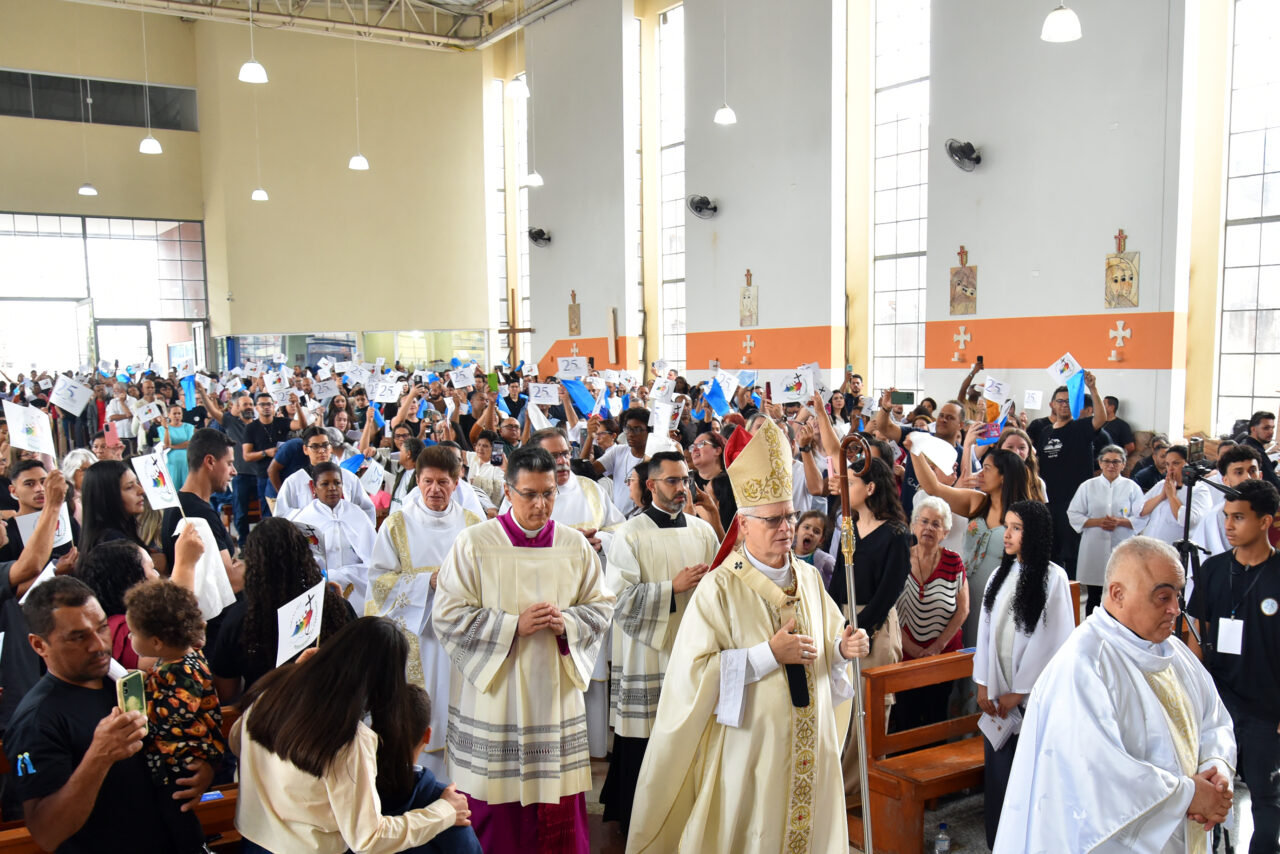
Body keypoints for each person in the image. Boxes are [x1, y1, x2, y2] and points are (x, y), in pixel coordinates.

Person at [627, 418, 869, 853]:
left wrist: (842, 647)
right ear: (743, 524)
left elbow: (829, 643)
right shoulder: (719, 588)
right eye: (774, 520)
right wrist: (767, 655)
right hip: (752, 753)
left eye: (790, 517)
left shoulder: (810, 578)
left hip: (811, 745)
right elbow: (692, 675)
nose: (787, 528)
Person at [994, 537, 1237, 853]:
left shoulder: (1175, 652)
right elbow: (1095, 774)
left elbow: (1214, 720)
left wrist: (1215, 771)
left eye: (1178, 595)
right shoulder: (1083, 665)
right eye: (1163, 596)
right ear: (1117, 594)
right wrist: (1189, 795)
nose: (1175, 609)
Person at [431, 446, 615, 853]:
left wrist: (566, 623)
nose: (541, 504)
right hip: (496, 700)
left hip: (554, 697)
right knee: (497, 811)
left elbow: (602, 607)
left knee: (557, 807)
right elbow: (446, 615)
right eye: (530, 494)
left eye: (548, 493)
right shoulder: (475, 543)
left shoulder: (574, 545)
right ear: (508, 491)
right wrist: (513, 626)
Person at [4, 577, 215, 853]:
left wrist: (203, 768)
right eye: (78, 637)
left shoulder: (123, 681)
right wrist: (98, 757)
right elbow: (47, 833)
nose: (98, 645)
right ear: (39, 645)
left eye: (102, 628)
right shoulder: (37, 719)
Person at [232, 617, 471, 854]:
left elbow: (236, 741)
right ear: (384, 685)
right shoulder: (348, 739)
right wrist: (445, 811)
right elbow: (368, 838)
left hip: (253, 842)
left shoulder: (273, 691)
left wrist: (296, 672)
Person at [599, 450, 718, 833]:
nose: (682, 488)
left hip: (692, 649)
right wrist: (673, 588)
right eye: (673, 481)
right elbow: (618, 600)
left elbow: (719, 589)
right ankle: (640, 819)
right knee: (645, 737)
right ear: (650, 486)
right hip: (647, 655)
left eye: (686, 480)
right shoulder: (630, 535)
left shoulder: (702, 532)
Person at [365, 445, 484, 778]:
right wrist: (426, 582)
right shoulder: (397, 525)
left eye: (443, 482)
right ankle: (418, 777)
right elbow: (379, 581)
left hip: (462, 636)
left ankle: (462, 781)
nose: (435, 489)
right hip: (416, 637)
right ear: (416, 480)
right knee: (422, 708)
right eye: (428, 481)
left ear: (457, 482)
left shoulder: (473, 525)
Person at [973, 500, 1075, 847]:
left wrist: (1019, 692)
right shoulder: (999, 575)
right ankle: (997, 842)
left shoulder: (1053, 577)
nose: (1007, 534)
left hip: (1029, 703)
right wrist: (984, 683)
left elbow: (1053, 642)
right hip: (997, 699)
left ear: (1034, 534)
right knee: (999, 778)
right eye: (1007, 525)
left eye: (1017, 528)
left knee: (1027, 780)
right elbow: (984, 634)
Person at [1187, 479, 1280, 854]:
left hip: (1265, 708)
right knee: (1211, 792)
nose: (1228, 525)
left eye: (1239, 517)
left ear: (1265, 521)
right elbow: (1197, 637)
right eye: (1226, 516)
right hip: (1218, 704)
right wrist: (1193, 697)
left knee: (1266, 798)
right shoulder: (1213, 568)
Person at [123, 578, 225, 852]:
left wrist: (140, 709)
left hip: (182, 760)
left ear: (156, 642)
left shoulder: (182, 670)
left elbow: (176, 715)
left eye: (132, 633)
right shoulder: (178, 658)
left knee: (176, 812)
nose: (129, 638)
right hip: (173, 755)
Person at [208, 518, 354, 702]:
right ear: (303, 554)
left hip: (266, 720)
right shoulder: (335, 608)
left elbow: (226, 693)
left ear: (253, 563)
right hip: (331, 716)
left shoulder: (239, 619)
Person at [910, 442, 1032, 646]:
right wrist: (915, 450)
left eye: (987, 469)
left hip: (1000, 595)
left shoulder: (1024, 514)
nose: (980, 474)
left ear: (1004, 476)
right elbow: (933, 488)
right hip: (963, 590)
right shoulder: (977, 501)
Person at [893, 494, 968, 731]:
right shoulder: (899, 558)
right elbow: (889, 611)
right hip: (904, 655)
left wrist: (936, 648)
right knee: (905, 717)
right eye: (924, 521)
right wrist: (912, 649)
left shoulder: (954, 562)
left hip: (943, 656)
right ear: (913, 525)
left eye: (936, 524)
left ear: (945, 532)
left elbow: (963, 609)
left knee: (937, 717)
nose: (928, 528)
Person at [1033, 371, 1108, 577]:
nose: (1064, 404)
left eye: (1068, 401)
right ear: (1052, 404)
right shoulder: (1046, 431)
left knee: (1073, 552)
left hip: (1074, 502)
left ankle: (1073, 594)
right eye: (1060, 401)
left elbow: (1101, 418)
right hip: (1050, 500)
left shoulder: (1080, 427)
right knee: (1051, 549)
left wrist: (1092, 388)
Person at [1069, 444, 1149, 615]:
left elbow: (1141, 516)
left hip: (1121, 544)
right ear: (1100, 463)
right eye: (1106, 461)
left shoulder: (1131, 487)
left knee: (1120, 592)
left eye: (1116, 462)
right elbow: (1074, 514)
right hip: (1094, 545)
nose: (1111, 465)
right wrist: (1098, 521)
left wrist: (1120, 522)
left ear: (1123, 464)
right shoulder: (1088, 486)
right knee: (1094, 596)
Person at [287, 462, 376, 613]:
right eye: (325, 484)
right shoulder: (304, 520)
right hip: (321, 588)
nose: (332, 488)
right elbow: (300, 563)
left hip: (357, 587)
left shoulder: (356, 514)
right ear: (314, 489)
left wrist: (346, 575)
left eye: (337, 483)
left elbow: (374, 558)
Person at [874, 387, 964, 516]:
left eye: (950, 417)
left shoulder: (961, 455)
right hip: (906, 517)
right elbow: (884, 427)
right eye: (941, 416)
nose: (943, 420)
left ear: (960, 425)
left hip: (937, 525)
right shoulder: (919, 437)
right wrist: (886, 407)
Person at [272, 425, 375, 523]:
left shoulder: (348, 478)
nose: (321, 451)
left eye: (325, 445)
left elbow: (367, 510)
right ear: (305, 449)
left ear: (331, 448)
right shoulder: (294, 481)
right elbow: (281, 515)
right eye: (315, 447)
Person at [199, 387, 257, 549]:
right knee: (241, 512)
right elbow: (212, 410)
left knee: (265, 512)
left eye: (251, 404)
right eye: (245, 404)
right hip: (240, 475)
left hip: (260, 474)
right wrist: (203, 394)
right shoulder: (231, 422)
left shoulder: (260, 425)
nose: (248, 407)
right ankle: (244, 544)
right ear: (238, 407)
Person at [0, 459, 80, 567]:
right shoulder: (7, 534)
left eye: (44, 482)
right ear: (13, 491)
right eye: (29, 484)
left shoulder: (67, 521)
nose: (40, 489)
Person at [1140, 444, 1213, 549]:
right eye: (1167, 464)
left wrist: (1172, 496)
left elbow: (1188, 521)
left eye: (1176, 463)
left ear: (1188, 464)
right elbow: (1140, 510)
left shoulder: (1200, 490)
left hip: (1174, 553)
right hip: (1149, 548)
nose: (1170, 469)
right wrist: (1161, 496)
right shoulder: (1162, 485)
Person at [243, 392, 303, 519]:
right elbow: (247, 456)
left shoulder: (281, 422)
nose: (266, 407)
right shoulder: (251, 428)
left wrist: (297, 406)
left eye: (269, 404)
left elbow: (302, 425)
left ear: (274, 406)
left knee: (288, 511)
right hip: (264, 475)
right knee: (268, 514)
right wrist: (266, 453)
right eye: (262, 404)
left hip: (284, 474)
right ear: (256, 408)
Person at [584, 408, 650, 516]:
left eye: (637, 429)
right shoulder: (618, 451)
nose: (630, 434)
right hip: (619, 519)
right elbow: (586, 472)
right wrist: (590, 437)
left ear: (649, 432)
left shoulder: (655, 456)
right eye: (628, 428)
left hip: (644, 521)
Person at [1201, 443, 1265, 554]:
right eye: (1239, 472)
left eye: (1252, 471)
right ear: (1225, 481)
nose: (1247, 477)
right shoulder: (1218, 516)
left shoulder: (1271, 508)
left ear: (1260, 476)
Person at [77, 459, 148, 558]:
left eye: (137, 483)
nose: (141, 491)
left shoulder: (115, 534)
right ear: (108, 496)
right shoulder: (112, 544)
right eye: (129, 487)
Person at [688, 430, 737, 533]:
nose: (694, 449)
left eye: (701, 444)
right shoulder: (688, 482)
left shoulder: (730, 482)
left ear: (717, 450)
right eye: (692, 447)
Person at [793, 509, 835, 587]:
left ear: (821, 539)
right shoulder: (785, 554)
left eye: (816, 532)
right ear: (796, 530)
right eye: (806, 527)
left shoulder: (825, 562)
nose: (810, 533)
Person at [1242, 411, 1280, 492]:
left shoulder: (1250, 445)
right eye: (1266, 428)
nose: (1271, 432)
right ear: (1253, 429)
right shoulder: (1254, 451)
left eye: (1272, 427)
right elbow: (1273, 483)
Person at [160, 404, 195, 489]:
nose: (177, 416)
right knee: (173, 487)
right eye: (174, 413)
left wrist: (173, 447)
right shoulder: (161, 429)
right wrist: (166, 429)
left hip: (187, 462)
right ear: (169, 415)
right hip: (171, 463)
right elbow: (167, 444)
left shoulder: (189, 427)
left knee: (188, 487)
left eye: (179, 413)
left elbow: (189, 443)